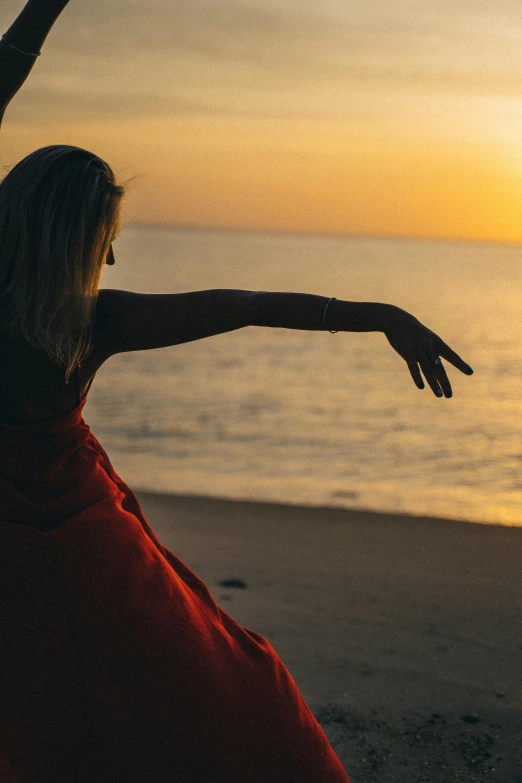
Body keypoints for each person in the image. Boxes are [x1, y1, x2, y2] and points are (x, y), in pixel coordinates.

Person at [0, 2, 474, 781]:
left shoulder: (87, 317)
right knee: (228, 688)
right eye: (106, 241)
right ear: (76, 241)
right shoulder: (95, 321)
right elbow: (248, 306)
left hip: (69, 531)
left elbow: (248, 306)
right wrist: (380, 314)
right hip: (84, 532)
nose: (112, 261)